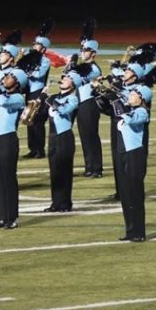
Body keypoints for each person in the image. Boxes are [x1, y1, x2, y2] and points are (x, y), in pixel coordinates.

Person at [0, 68, 27, 229]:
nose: (5, 78)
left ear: (16, 82)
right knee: (0, 181)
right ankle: (2, 217)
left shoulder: (17, 98)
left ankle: (12, 218)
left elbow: (3, 101)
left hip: (8, 141)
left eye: (9, 77)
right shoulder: (0, 95)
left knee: (8, 180)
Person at [42, 69, 83, 213]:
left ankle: (65, 203)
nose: (63, 79)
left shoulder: (73, 98)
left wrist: (51, 101)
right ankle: (55, 202)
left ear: (73, 84)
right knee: (54, 172)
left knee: (64, 171)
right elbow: (41, 116)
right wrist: (41, 99)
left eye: (67, 78)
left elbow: (65, 110)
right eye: (63, 77)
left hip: (64, 137)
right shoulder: (54, 97)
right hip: (52, 137)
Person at [114, 85, 151, 241]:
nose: (130, 95)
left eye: (134, 94)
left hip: (135, 156)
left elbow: (129, 118)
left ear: (141, 98)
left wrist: (116, 102)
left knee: (135, 194)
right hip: (123, 154)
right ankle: (130, 230)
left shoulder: (142, 112)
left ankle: (139, 232)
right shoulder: (130, 109)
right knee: (125, 195)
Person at [24, 19, 54, 159]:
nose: (34, 46)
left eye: (37, 44)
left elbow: (39, 74)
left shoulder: (45, 60)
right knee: (29, 120)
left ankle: (40, 150)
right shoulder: (30, 58)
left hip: (38, 92)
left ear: (43, 47)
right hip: (29, 91)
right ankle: (32, 149)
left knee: (37, 123)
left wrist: (28, 71)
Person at [76, 31, 104, 178]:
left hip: (89, 105)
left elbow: (79, 77)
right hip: (81, 104)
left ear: (93, 53)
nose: (82, 52)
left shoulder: (94, 69)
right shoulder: (84, 67)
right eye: (82, 50)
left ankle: (97, 168)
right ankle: (89, 166)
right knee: (84, 136)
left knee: (91, 136)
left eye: (85, 50)